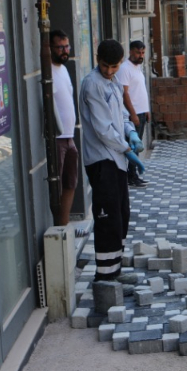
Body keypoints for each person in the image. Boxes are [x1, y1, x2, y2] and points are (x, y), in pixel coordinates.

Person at [78, 39, 144, 281]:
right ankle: (104, 280)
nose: (109, 71)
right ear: (97, 60)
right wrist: (127, 149)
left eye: (114, 67)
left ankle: (114, 271)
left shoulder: (114, 82)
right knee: (107, 219)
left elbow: (122, 115)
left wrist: (131, 132)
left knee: (121, 215)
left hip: (116, 160)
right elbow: (103, 129)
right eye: (105, 66)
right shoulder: (92, 85)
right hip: (101, 160)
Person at [50, 30, 79, 227]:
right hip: (57, 138)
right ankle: (56, 227)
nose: (65, 51)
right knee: (56, 186)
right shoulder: (48, 71)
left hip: (70, 136)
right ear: (50, 48)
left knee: (71, 183)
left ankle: (64, 226)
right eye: (60, 47)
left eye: (67, 46)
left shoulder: (63, 69)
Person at [116, 40, 151, 188]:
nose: (141, 55)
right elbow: (125, 94)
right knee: (133, 146)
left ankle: (133, 175)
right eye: (138, 52)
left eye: (143, 52)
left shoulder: (137, 68)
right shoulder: (125, 68)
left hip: (142, 112)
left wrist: (147, 110)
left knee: (138, 146)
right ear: (130, 51)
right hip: (133, 115)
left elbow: (140, 91)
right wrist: (133, 114)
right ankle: (131, 176)